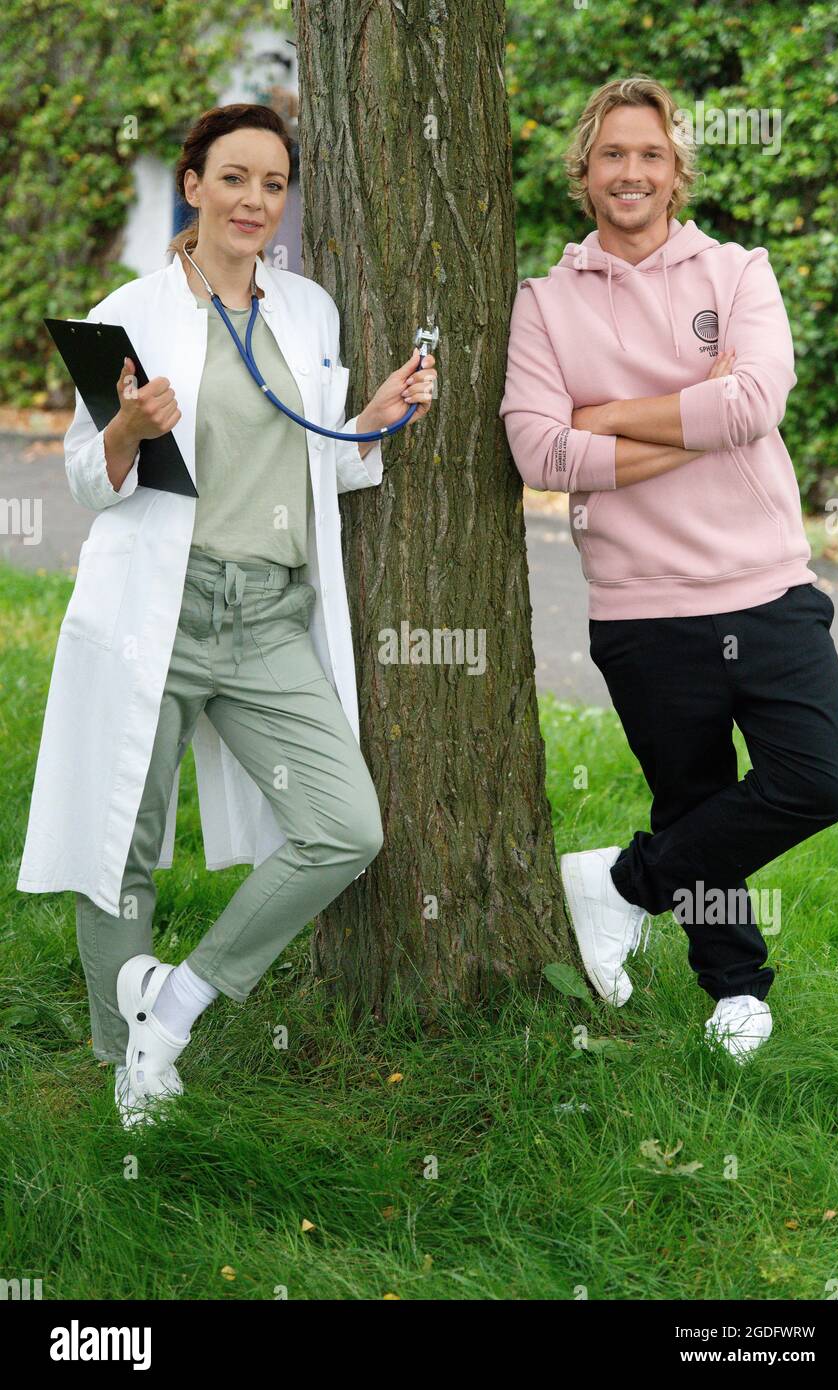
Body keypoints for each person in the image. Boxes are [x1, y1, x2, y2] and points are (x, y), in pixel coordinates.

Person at [16, 104, 437, 1126]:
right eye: (235, 178)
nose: (256, 201)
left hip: (263, 618)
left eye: (274, 184)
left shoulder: (309, 310)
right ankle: (128, 1064)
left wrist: (369, 423)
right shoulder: (132, 311)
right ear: (193, 185)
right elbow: (87, 479)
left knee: (345, 826)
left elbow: (308, 456)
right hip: (157, 610)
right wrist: (123, 425)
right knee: (122, 841)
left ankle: (182, 996)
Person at [500, 76, 838, 1062]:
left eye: (650, 154)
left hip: (767, 585)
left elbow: (753, 403)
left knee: (816, 783)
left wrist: (604, 416)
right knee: (696, 802)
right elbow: (538, 453)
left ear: (676, 171)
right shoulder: (543, 305)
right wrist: (685, 417)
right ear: (583, 172)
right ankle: (734, 988)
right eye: (612, 154)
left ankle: (617, 884)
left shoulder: (738, 272)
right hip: (641, 606)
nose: (631, 171)